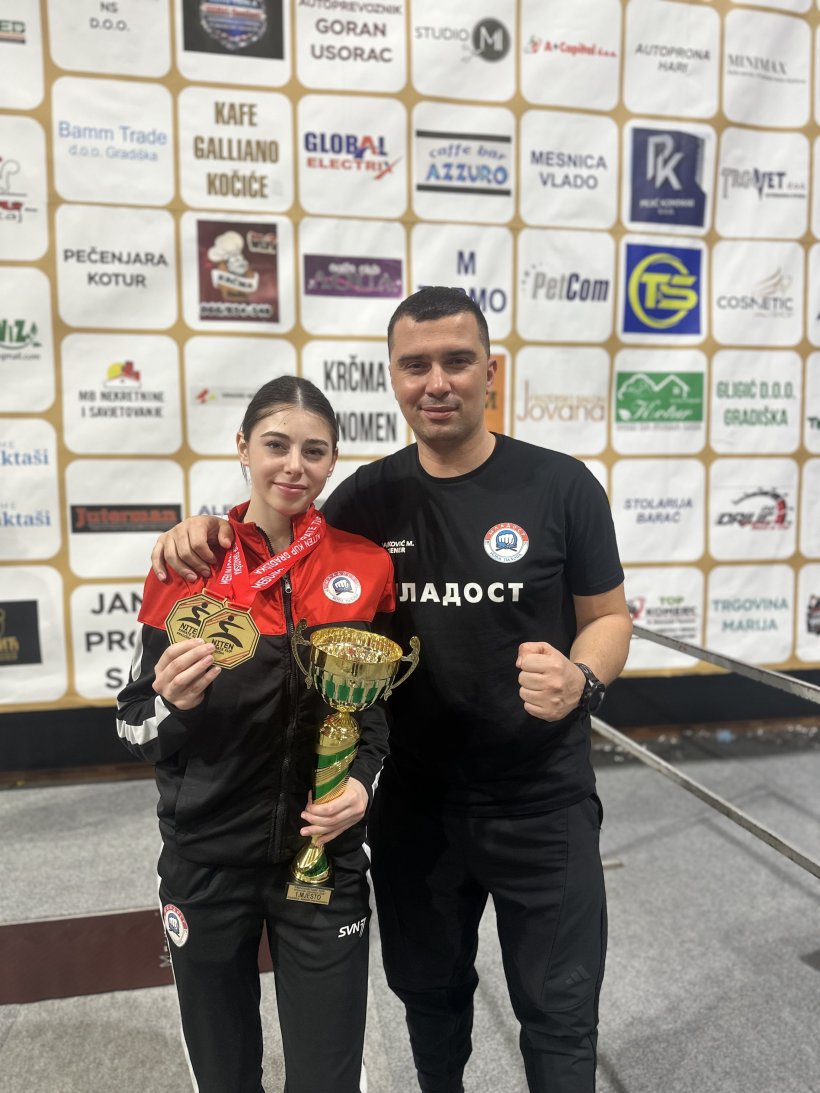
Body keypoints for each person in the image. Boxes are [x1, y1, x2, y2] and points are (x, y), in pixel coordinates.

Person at [151, 287, 633, 1093]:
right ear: (394, 378)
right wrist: (203, 530)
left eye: (457, 361)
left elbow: (609, 616)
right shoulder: (366, 499)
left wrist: (583, 677)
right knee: (431, 1003)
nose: (436, 381)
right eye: (416, 365)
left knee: (560, 1013)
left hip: (542, 802)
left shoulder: (561, 485)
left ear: (491, 372)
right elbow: (289, 542)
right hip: (416, 809)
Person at [117, 376, 395, 1093]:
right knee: (226, 1077)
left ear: (333, 460)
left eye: (314, 450)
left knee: (328, 1079)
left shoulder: (366, 566)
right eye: (276, 445)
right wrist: (172, 704)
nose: (294, 466)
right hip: (206, 860)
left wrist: (362, 786)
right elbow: (133, 724)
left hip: (324, 858)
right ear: (243, 447)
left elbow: (371, 715)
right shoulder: (187, 565)